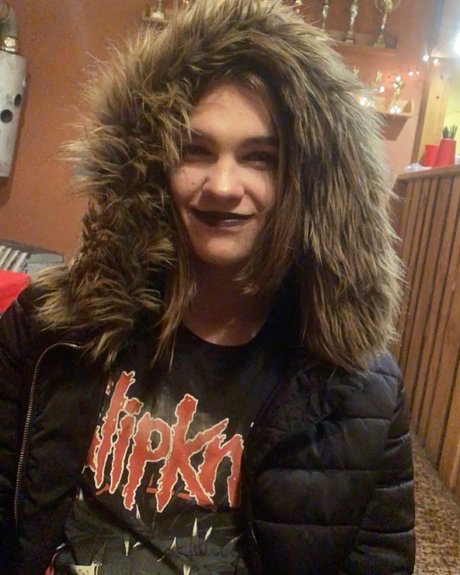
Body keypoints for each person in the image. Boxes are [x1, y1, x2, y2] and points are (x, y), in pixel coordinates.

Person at [0, 1, 415, 574]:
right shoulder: (49, 328)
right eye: (194, 150)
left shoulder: (362, 391)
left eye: (260, 158)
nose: (222, 185)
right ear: (151, 166)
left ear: (308, 183)